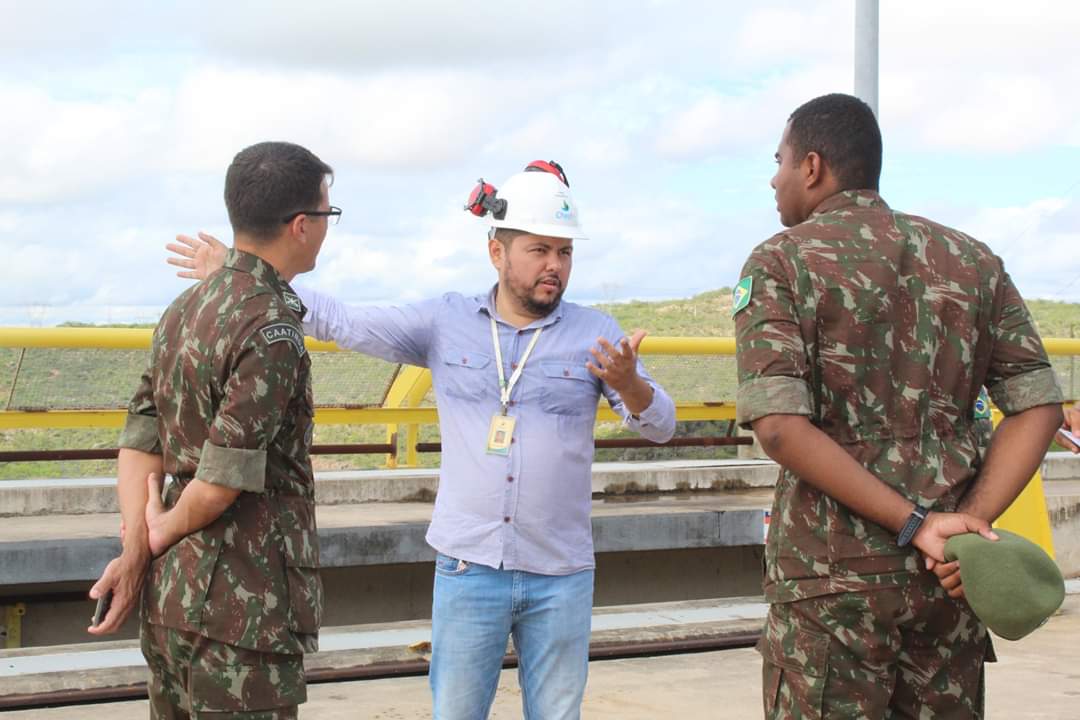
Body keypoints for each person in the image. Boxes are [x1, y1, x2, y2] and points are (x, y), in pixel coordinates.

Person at [167, 160, 676, 720]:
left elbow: (662, 426)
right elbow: (339, 320)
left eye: (565, 252)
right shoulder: (446, 322)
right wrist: (245, 274)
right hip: (468, 567)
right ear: (497, 252)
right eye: (539, 250)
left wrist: (631, 386)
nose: (554, 266)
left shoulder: (596, 333)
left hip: (561, 574)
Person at [734, 93, 1064, 718]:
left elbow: (778, 427)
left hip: (831, 586)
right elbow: (1038, 407)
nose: (773, 179)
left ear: (811, 166)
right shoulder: (973, 260)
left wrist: (913, 526)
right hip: (950, 579)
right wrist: (962, 524)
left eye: (778, 161)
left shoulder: (782, 261)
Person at [90, 141, 335, 719]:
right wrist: (151, 538)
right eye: (328, 215)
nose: (327, 228)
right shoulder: (271, 324)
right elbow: (221, 481)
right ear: (301, 225)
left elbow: (139, 441)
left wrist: (138, 548)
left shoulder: (185, 308)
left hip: (173, 601)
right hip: (242, 611)